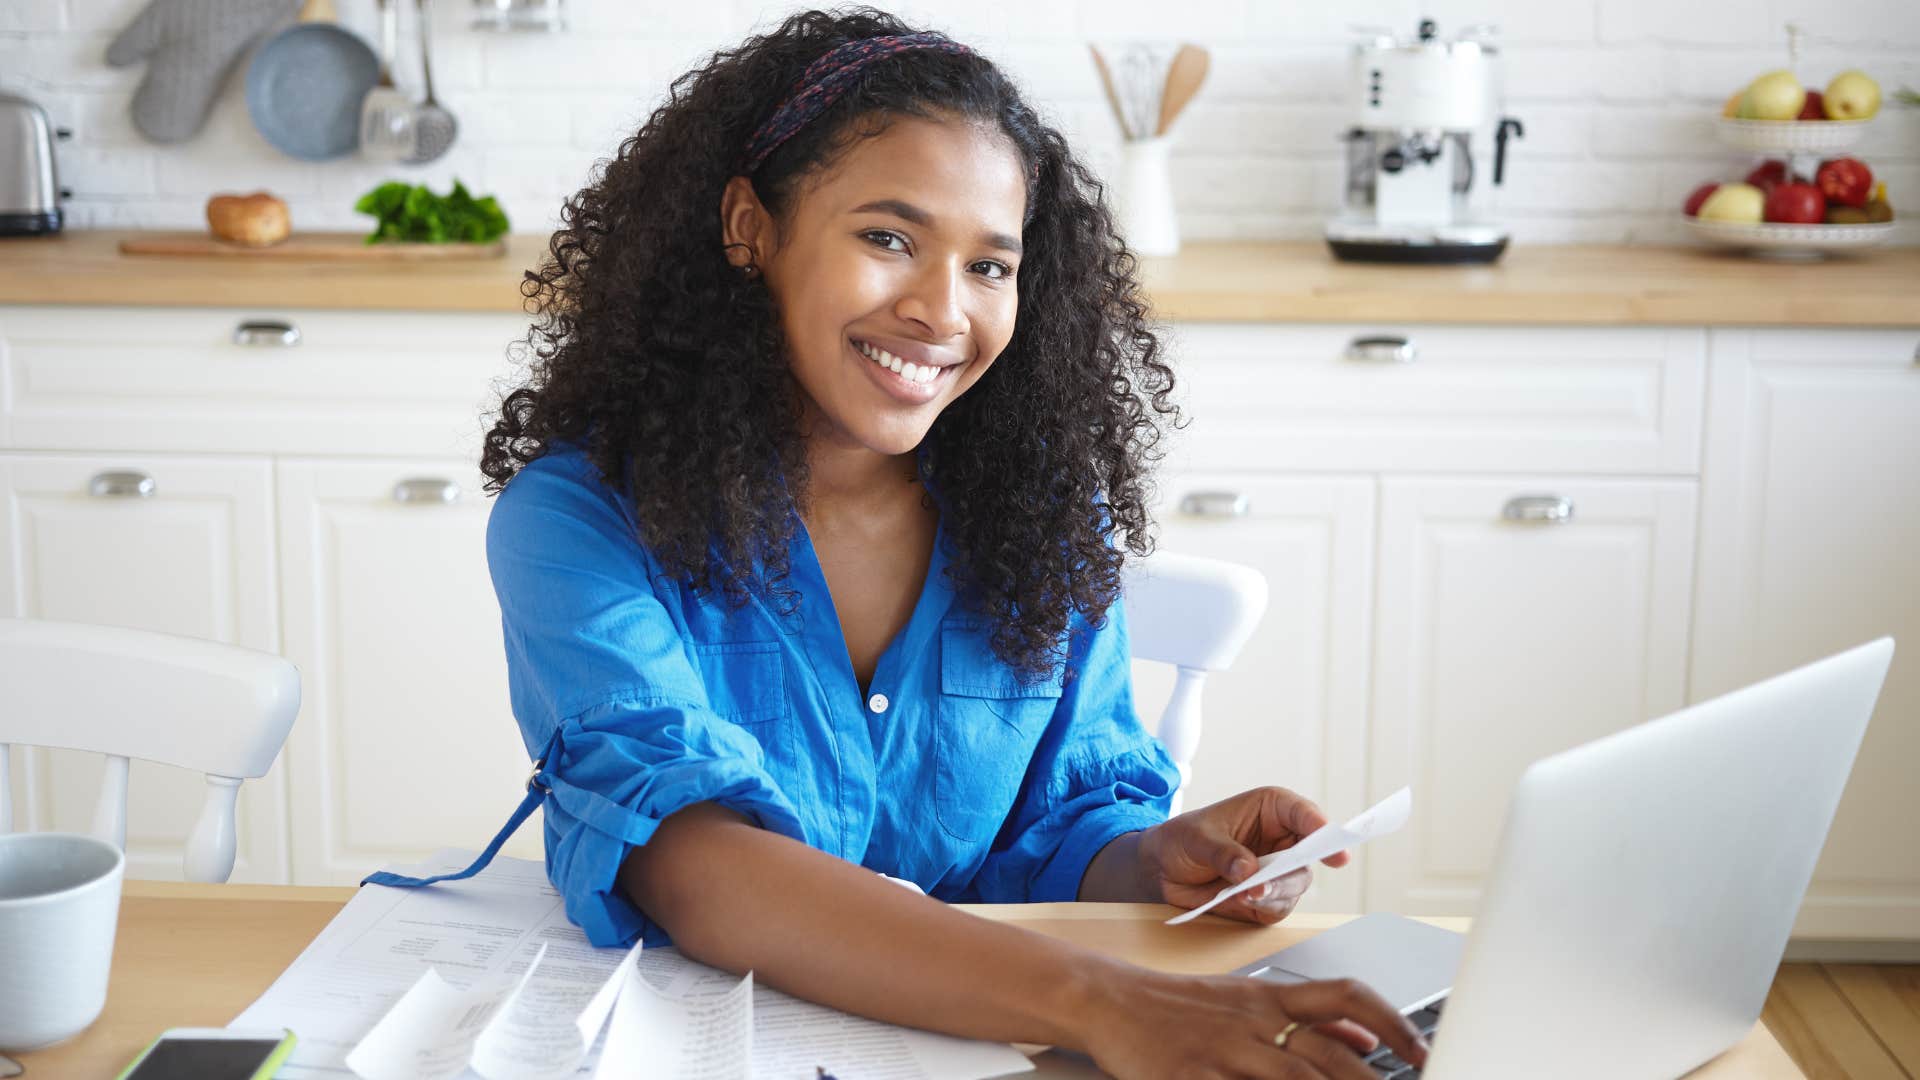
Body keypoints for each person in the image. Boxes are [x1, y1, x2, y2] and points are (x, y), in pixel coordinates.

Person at [460, 8, 1427, 1077]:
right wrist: (1107, 1005)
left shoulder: (1039, 513)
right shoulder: (579, 521)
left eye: (989, 266)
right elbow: (699, 870)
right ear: (751, 229)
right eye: (888, 239)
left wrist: (1162, 860)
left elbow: (1064, 832)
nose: (940, 310)